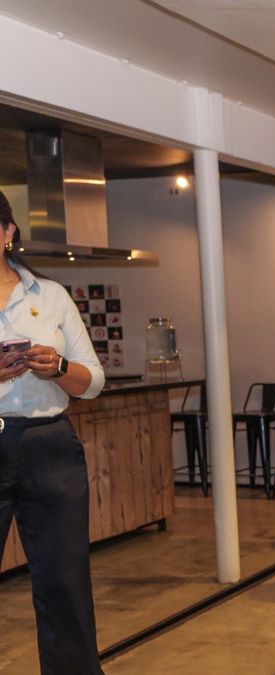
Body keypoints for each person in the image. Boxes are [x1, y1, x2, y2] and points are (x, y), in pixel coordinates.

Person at [0, 189, 106, 674]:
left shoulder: (52, 296)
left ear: (8, 232)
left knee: (65, 583)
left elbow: (93, 381)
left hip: (50, 448)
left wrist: (58, 366)